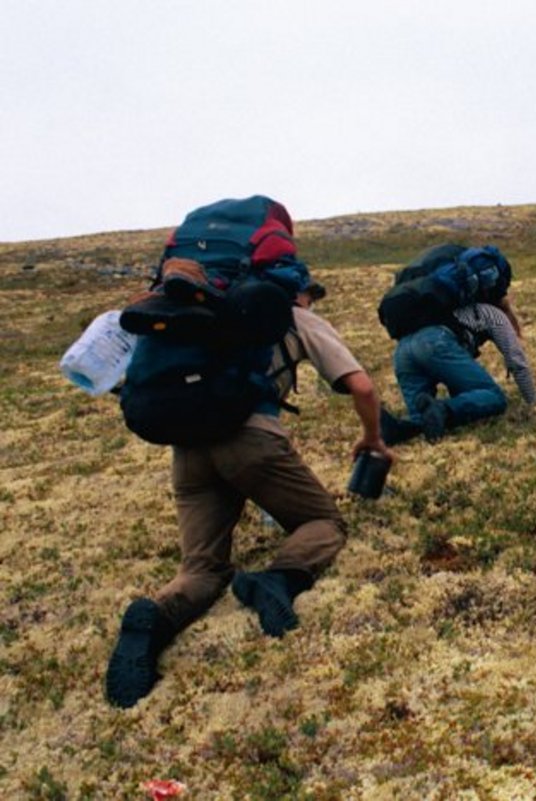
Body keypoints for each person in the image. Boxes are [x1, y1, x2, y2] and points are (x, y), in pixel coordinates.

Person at [105, 277, 391, 708]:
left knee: (201, 568)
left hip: (188, 450)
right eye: (309, 294)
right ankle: (277, 579)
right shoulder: (294, 318)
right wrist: (373, 439)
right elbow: (363, 387)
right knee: (321, 522)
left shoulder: (193, 317)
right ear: (294, 291)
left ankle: (158, 616)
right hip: (250, 440)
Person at [381, 294, 536, 444]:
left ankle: (397, 430)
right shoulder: (493, 313)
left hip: (403, 351)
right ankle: (443, 408)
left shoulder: (444, 309)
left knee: (421, 418)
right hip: (433, 344)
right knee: (495, 397)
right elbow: (516, 360)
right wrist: (532, 401)